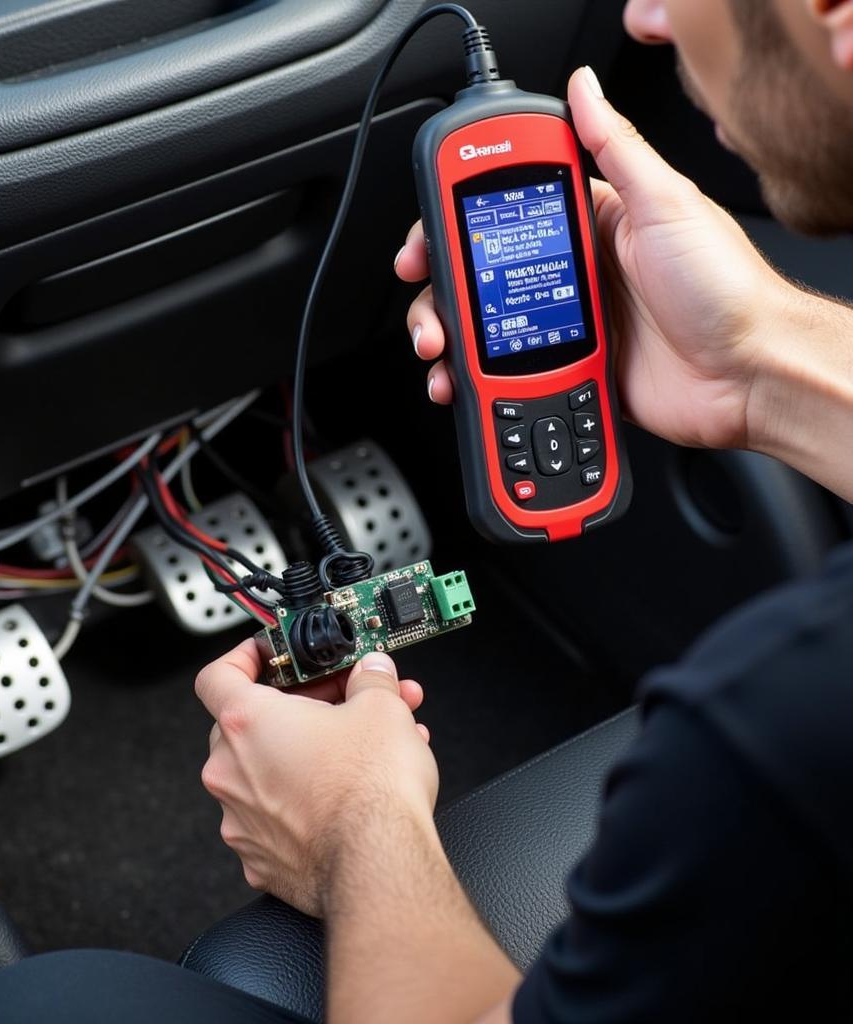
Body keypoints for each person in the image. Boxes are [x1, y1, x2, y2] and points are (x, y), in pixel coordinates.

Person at [195, 1, 853, 1022]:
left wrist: (349, 828)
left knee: (50, 997)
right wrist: (759, 361)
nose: (642, 12)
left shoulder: (766, 722)